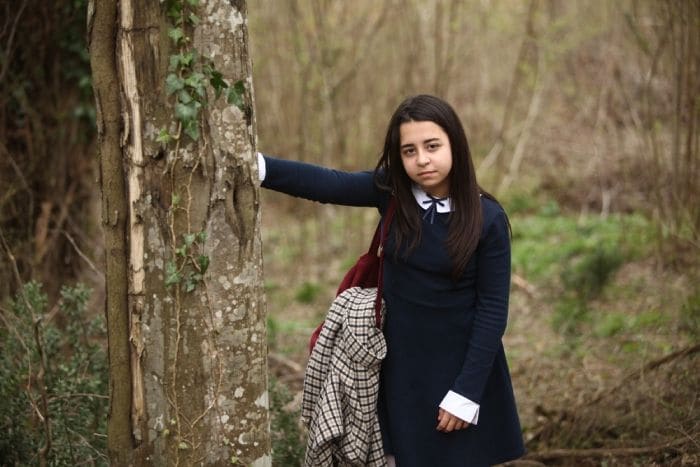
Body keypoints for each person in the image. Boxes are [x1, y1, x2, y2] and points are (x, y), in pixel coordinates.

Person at [258, 94, 524, 466]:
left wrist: (466, 392)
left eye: (432, 146)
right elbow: (330, 184)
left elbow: (493, 311)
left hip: (461, 368)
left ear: (455, 145)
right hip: (401, 367)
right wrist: (260, 167)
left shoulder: (487, 218)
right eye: (409, 151)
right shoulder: (394, 193)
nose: (422, 159)